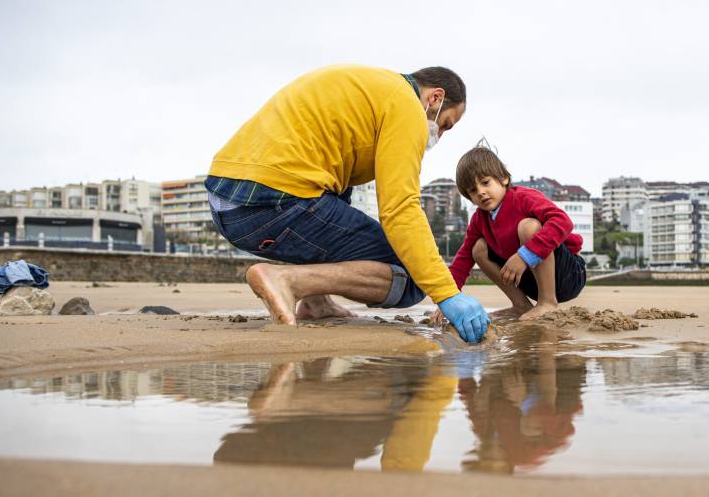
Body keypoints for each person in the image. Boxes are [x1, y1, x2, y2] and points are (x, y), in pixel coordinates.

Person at [205, 64, 490, 343]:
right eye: (444, 124)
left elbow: (334, 203)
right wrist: (447, 294)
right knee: (413, 278)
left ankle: (316, 303)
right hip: (272, 203)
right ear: (435, 98)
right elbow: (400, 209)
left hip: (227, 202)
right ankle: (288, 281)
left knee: (335, 211)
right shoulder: (406, 106)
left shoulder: (368, 87)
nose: (438, 134)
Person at [440, 146, 586, 321]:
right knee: (478, 248)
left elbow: (563, 221)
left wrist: (524, 256)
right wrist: (448, 299)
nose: (480, 192)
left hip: (567, 274)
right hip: (530, 279)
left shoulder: (524, 198)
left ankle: (548, 303)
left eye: (485, 182)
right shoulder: (479, 219)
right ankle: (521, 306)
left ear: (504, 178)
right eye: (472, 190)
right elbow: (463, 260)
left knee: (528, 226)